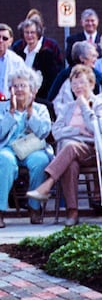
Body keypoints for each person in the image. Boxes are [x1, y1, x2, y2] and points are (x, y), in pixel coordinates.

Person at [27, 65, 97, 226]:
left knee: (70, 147)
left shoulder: (100, 104)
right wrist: (77, 130)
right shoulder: (68, 108)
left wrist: (85, 106)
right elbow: (56, 133)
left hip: (93, 151)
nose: (78, 87)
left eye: (81, 83)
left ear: (91, 84)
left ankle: (48, 184)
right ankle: (72, 212)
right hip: (71, 152)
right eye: (74, 84)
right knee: (70, 162)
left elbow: (96, 130)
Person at [0, 67, 51, 227]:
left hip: (32, 149)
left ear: (32, 90)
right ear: (10, 90)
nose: (19, 89)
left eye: (23, 86)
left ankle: (34, 208)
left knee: (41, 161)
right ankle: (0, 210)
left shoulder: (40, 109)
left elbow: (44, 132)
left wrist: (30, 114)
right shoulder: (3, 108)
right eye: (15, 86)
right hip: (9, 148)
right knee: (4, 159)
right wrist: (11, 113)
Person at [14, 16, 62, 102]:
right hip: (19, 98)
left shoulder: (47, 54)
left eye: (32, 32)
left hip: (40, 99)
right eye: (26, 32)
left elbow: (51, 80)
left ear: (38, 34)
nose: (29, 35)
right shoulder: (18, 52)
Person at [48, 41, 102, 107]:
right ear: (82, 58)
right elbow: (54, 102)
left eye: (96, 56)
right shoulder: (64, 76)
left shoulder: (97, 76)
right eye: (93, 56)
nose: (96, 59)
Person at [0, 23, 25, 100]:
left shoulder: (17, 61)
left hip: (10, 103)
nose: (0, 41)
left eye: (5, 38)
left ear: (10, 41)